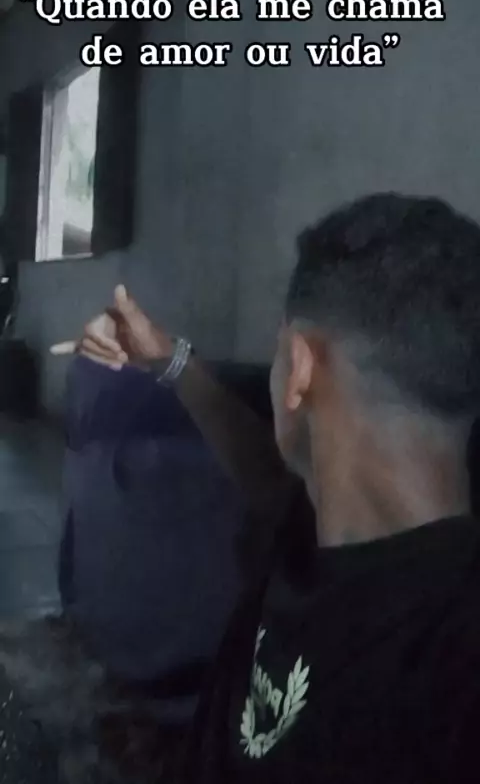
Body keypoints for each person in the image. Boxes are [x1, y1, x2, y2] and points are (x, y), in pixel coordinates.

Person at [53, 193, 480, 783]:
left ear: (299, 368)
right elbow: (265, 471)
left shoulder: (457, 666)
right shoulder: (325, 519)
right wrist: (167, 360)